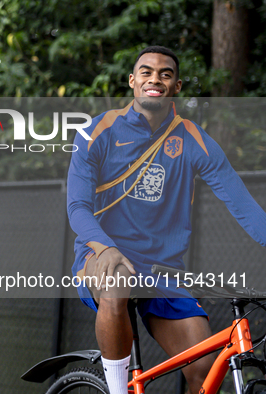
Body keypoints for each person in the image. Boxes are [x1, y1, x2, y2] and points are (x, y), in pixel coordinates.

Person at [67, 46, 266, 394]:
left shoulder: (193, 139)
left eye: (165, 74)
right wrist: (106, 248)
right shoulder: (97, 131)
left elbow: (243, 205)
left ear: (175, 86)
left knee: (206, 373)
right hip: (102, 256)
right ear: (132, 81)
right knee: (116, 283)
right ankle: (117, 391)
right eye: (146, 72)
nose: (154, 79)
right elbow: (77, 208)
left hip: (163, 270)